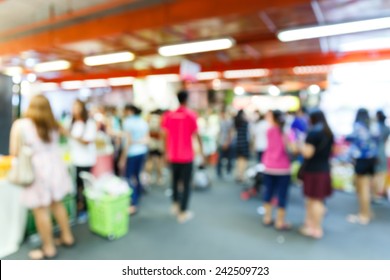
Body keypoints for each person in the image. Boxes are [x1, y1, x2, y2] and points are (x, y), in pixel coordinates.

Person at [9, 95, 74, 259]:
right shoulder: (53, 124)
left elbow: (14, 152)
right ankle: (67, 236)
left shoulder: (21, 125)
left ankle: (49, 248)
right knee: (57, 204)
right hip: (55, 166)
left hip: (36, 169)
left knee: (40, 209)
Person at [162, 90, 204, 223]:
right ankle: (183, 211)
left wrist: (166, 152)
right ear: (187, 99)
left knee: (174, 181)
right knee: (186, 184)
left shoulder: (169, 115)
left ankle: (175, 205)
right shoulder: (191, 115)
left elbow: (165, 135)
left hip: (173, 155)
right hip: (186, 156)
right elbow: (197, 135)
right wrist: (202, 150)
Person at [299, 109, 334, 239]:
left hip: (313, 170)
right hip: (324, 169)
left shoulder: (313, 133)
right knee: (316, 200)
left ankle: (316, 228)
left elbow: (308, 153)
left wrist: (300, 145)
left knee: (314, 200)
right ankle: (311, 224)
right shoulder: (328, 132)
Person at [346, 108, 378, 225]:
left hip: (362, 160)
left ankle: (363, 215)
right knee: (366, 187)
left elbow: (353, 140)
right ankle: (367, 212)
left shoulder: (358, 126)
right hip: (372, 159)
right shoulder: (372, 126)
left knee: (362, 188)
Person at [262, 110, 292, 230]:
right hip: (283, 168)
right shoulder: (285, 132)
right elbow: (290, 149)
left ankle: (267, 218)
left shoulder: (269, 131)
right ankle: (280, 222)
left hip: (269, 166)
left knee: (268, 192)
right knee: (282, 195)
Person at [68, 99, 97, 223]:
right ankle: (78, 208)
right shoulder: (72, 123)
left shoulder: (89, 123)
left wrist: (72, 136)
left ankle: (85, 209)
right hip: (74, 159)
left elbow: (86, 141)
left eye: (77, 107)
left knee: (84, 186)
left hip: (86, 160)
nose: (74, 109)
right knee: (76, 186)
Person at [119, 105, 149, 215]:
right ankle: (139, 192)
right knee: (137, 174)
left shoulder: (127, 122)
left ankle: (133, 202)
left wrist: (122, 158)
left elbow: (127, 141)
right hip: (142, 151)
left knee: (128, 177)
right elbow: (146, 139)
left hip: (132, 153)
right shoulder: (143, 122)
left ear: (130, 111)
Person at [372, 110, 390, 202]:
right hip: (382, 151)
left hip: (374, 151)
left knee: (375, 174)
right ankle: (378, 194)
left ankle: (375, 195)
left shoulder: (374, 128)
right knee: (381, 174)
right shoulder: (387, 128)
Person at [145, 109, 165, 186]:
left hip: (151, 143)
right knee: (160, 162)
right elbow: (163, 132)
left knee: (150, 160)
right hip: (159, 143)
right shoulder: (161, 119)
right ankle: (159, 178)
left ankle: (148, 177)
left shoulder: (149, 119)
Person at [216, 107, 234, 179]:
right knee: (220, 159)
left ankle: (228, 171)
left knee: (229, 159)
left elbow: (230, 133)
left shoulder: (229, 121)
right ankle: (219, 172)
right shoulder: (221, 121)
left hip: (228, 143)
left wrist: (227, 142)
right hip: (221, 142)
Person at [234, 109, 250, 183]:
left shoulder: (236, 122)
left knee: (238, 160)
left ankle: (238, 175)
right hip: (244, 143)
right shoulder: (245, 123)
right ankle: (242, 175)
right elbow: (249, 134)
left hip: (238, 142)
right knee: (244, 160)